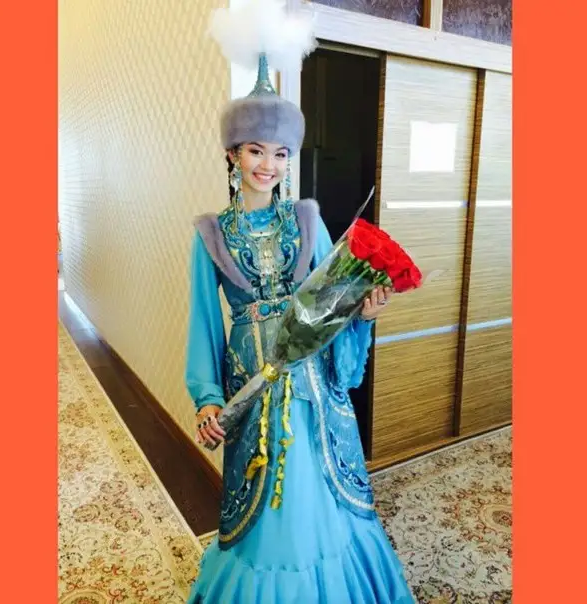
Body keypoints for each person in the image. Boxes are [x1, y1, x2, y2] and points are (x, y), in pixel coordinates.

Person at [185, 3, 415, 602]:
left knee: (315, 485)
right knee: (263, 499)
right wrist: (208, 397)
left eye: (281, 153)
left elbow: (329, 304)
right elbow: (204, 324)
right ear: (233, 154)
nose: (269, 165)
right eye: (255, 150)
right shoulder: (211, 234)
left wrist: (362, 315)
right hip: (252, 380)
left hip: (310, 379)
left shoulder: (306, 220)